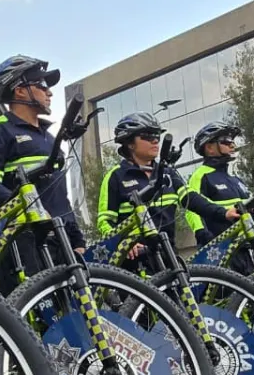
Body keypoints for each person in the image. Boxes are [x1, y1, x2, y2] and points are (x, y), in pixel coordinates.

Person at [0, 55, 85, 297]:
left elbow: (61, 195)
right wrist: (28, 209)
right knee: (28, 316)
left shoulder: (49, 137)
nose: (50, 93)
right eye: (42, 85)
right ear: (20, 91)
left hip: (61, 238)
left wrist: (77, 238)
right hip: (23, 240)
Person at [98, 113, 238, 269]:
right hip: (134, 259)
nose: (155, 140)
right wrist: (122, 243)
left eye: (157, 136)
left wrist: (223, 212)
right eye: (147, 136)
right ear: (130, 143)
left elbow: (191, 198)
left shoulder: (167, 172)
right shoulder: (115, 176)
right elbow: (105, 221)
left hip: (167, 253)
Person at [183, 121, 254, 249]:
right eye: (226, 141)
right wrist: (203, 234)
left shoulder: (235, 179)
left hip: (246, 246)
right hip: (218, 248)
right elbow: (191, 210)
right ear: (209, 148)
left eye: (232, 141)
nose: (232, 145)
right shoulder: (200, 175)